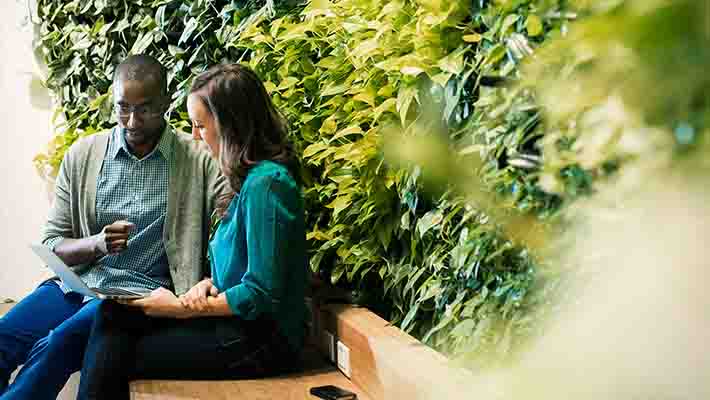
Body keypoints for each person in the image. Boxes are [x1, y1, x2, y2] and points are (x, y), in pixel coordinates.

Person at [0, 54, 226, 400]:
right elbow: (52, 241)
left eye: (145, 109)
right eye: (123, 108)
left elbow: (231, 222)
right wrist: (97, 243)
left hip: (134, 298)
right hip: (75, 287)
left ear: (166, 102)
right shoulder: (83, 155)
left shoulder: (197, 159)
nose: (132, 121)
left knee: (55, 346)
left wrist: (208, 281)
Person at [77, 63, 308, 400]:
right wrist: (207, 284)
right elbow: (245, 263)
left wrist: (178, 308)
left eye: (201, 125)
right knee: (113, 316)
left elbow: (261, 292)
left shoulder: (268, 185)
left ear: (232, 126)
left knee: (113, 355)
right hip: (235, 327)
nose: (196, 137)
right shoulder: (250, 182)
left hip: (261, 341)